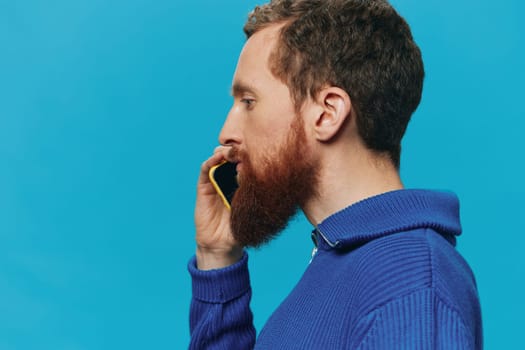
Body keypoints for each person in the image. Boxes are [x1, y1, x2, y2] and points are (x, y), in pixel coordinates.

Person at [188, 0, 482, 348]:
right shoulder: (345, 261)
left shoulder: (410, 289)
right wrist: (217, 258)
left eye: (248, 101)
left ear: (327, 114)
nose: (226, 131)